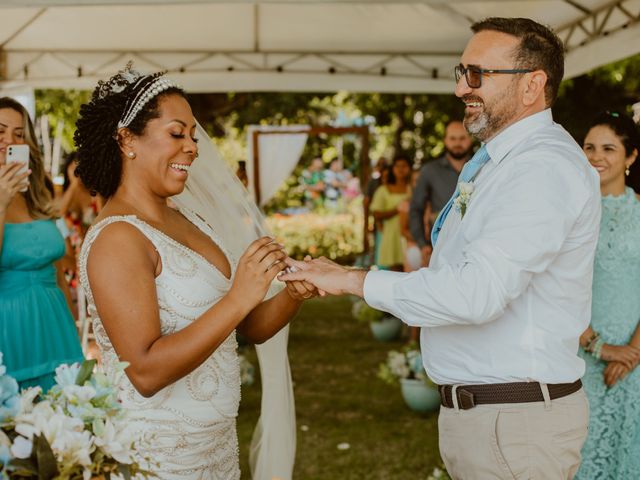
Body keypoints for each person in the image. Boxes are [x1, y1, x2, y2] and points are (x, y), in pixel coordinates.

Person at [282, 17, 601, 479]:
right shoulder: (501, 163)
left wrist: (353, 280)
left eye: (478, 75)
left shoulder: (542, 168)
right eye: (461, 73)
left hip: (515, 424)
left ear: (533, 85)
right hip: (492, 417)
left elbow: (477, 293)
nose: (460, 89)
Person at [74, 66, 316, 479]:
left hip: (216, 448)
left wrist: (294, 292)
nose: (192, 147)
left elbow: (245, 328)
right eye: (176, 133)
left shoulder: (192, 220)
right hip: (158, 456)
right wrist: (240, 295)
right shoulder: (117, 239)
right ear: (126, 139)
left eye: (192, 134)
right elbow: (145, 372)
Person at [0, 97, 83, 391]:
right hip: (10, 330)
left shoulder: (36, 196)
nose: (10, 140)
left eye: (19, 134)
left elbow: (59, 270)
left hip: (56, 323)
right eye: (0, 132)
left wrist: (72, 326)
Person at [575, 112, 640, 480]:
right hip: (579, 356)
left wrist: (631, 355)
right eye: (589, 147)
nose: (596, 156)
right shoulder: (569, 214)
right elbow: (554, 290)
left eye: (608, 149)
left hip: (634, 360)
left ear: (630, 157)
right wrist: (599, 348)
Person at [409, 121, 473, 267]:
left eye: (462, 138)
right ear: (445, 140)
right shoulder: (430, 171)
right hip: (440, 244)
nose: (458, 143)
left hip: (475, 242)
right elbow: (416, 208)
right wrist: (422, 243)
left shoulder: (483, 167)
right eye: (453, 138)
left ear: (470, 139)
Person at [369, 156, 412, 271]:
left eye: (404, 166)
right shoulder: (383, 190)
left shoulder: (413, 188)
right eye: (397, 166)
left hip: (411, 234)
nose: (401, 169)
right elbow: (376, 214)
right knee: (396, 272)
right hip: (392, 234)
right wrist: (397, 209)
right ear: (393, 168)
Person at [362, 157, 388, 253]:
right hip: (378, 220)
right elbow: (366, 202)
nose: (381, 167)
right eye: (379, 165)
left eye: (384, 165)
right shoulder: (373, 183)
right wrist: (366, 225)